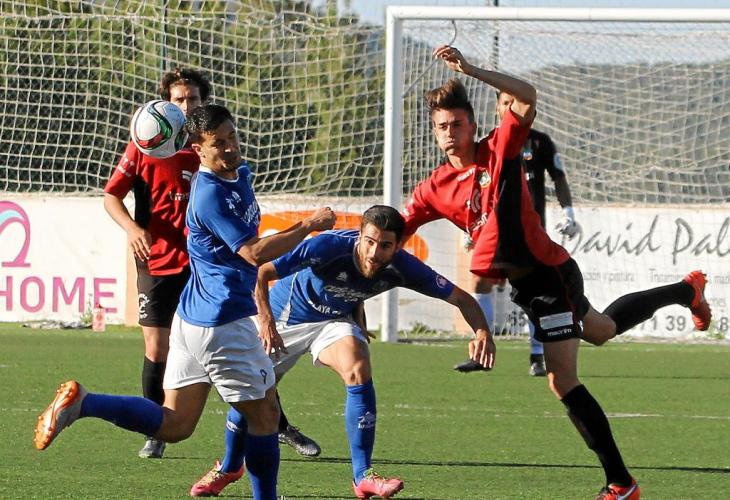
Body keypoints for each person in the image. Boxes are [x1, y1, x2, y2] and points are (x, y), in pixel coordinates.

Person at [401, 45, 712, 499]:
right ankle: (686, 291)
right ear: (434, 131)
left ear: (473, 124)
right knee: (602, 330)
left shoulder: (499, 148)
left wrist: (470, 69)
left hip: (550, 275)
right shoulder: (433, 187)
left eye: (458, 124)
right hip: (528, 285)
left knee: (561, 379)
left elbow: (527, 95)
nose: (451, 133)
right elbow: (396, 230)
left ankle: (621, 483)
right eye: (442, 126)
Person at [34, 104, 337, 500]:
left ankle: (84, 404)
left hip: (193, 320)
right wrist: (310, 225)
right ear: (198, 150)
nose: (229, 147)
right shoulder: (208, 194)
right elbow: (253, 253)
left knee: (175, 425)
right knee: (265, 416)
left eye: (232, 137)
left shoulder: (239, 173)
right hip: (224, 322)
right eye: (218, 143)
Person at [188, 205, 495, 499]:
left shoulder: (404, 266)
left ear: (397, 246)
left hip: (332, 322)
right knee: (253, 395)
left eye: (385, 246)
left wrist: (482, 331)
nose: (374, 252)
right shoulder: (328, 247)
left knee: (358, 366)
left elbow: (462, 298)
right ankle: (230, 467)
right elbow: (262, 273)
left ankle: (363, 476)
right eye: (369, 242)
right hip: (284, 321)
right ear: (360, 235)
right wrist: (266, 321)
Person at [103, 67, 211, 458]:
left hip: (202, 261)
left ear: (203, 102)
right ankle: (155, 429)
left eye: (193, 99)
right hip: (157, 260)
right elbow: (111, 196)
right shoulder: (144, 145)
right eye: (179, 99)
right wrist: (133, 229)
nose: (186, 105)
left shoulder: (209, 145)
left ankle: (273, 425)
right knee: (157, 346)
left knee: (225, 342)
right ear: (165, 103)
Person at [454, 90, 579, 377]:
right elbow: (473, 185)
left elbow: (558, 177)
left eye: (515, 102)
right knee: (479, 283)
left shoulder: (540, 142)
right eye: (505, 103)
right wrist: (467, 224)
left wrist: (569, 212)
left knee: (535, 293)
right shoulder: (486, 145)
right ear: (497, 108)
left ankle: (538, 355)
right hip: (492, 231)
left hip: (529, 233)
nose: (511, 107)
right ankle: (481, 351)